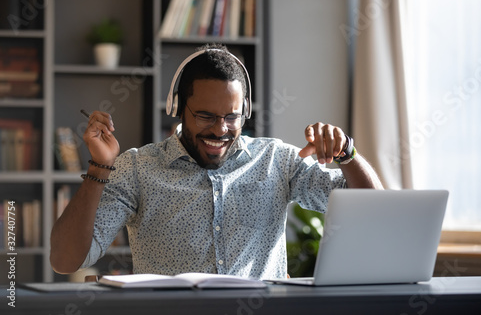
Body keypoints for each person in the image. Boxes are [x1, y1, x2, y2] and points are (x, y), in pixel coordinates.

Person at [50, 44, 383, 280]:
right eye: (206, 116)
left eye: (231, 117)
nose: (220, 129)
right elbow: (66, 261)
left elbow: (372, 213)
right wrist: (100, 167)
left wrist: (347, 154)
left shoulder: (277, 160)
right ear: (178, 108)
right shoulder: (138, 168)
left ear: (246, 112)